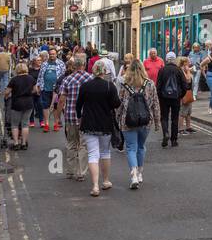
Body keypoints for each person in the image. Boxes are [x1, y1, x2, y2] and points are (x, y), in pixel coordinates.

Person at [77, 60, 120, 197]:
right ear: (105, 71)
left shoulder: (85, 86)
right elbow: (116, 104)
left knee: (92, 154)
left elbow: (79, 105)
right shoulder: (110, 86)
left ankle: (95, 186)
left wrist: (79, 117)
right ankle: (106, 181)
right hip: (105, 124)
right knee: (105, 153)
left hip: (89, 123)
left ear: (93, 71)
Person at [117, 58, 160, 188]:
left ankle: (134, 175)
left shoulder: (125, 83)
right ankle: (140, 173)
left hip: (127, 121)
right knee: (141, 147)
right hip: (145, 121)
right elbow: (156, 104)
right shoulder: (150, 83)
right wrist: (157, 122)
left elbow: (119, 104)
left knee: (131, 148)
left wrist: (117, 119)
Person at [54, 53, 94, 181]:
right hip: (85, 117)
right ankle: (81, 172)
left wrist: (57, 117)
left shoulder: (67, 80)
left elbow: (61, 100)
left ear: (73, 66)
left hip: (70, 116)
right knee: (83, 145)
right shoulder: (90, 79)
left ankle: (70, 171)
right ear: (83, 65)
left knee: (71, 143)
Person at [157, 50, 185, 148]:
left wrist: (159, 96)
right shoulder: (178, 70)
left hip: (164, 98)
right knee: (174, 118)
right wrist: (180, 95)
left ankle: (165, 134)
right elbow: (184, 85)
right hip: (175, 97)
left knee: (164, 117)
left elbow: (158, 85)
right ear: (174, 59)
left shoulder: (162, 70)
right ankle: (174, 140)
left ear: (166, 59)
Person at [6, 62, 36, 149]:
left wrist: (7, 95)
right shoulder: (31, 78)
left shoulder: (14, 79)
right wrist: (28, 93)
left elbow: (7, 92)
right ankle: (23, 144)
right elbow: (35, 90)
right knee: (25, 124)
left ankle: (16, 144)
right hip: (28, 103)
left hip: (17, 103)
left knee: (15, 124)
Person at [36, 47, 66, 132]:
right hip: (45, 88)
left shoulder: (61, 63)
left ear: (56, 54)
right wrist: (38, 86)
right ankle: (46, 124)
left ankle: (56, 124)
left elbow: (64, 76)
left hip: (57, 90)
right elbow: (40, 75)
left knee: (56, 107)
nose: (52, 55)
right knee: (45, 106)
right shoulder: (44, 64)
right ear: (49, 55)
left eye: (53, 54)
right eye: (51, 54)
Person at [177, 56, 195, 134]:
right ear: (184, 64)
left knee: (188, 112)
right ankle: (180, 129)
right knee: (183, 113)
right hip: (183, 94)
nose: (189, 64)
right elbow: (188, 80)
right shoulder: (181, 71)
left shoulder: (184, 70)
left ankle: (188, 127)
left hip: (189, 92)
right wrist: (188, 71)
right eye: (188, 63)